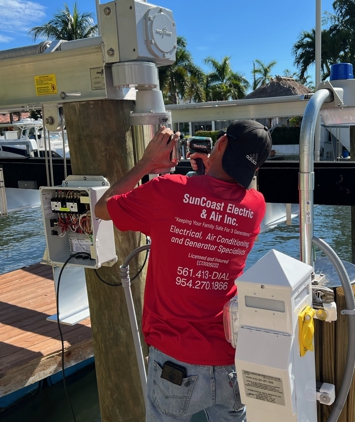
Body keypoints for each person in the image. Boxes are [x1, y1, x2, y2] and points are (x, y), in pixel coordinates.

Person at [95, 120, 272, 422]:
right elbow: (218, 204)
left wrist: (146, 163)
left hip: (174, 362)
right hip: (229, 361)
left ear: (221, 144)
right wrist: (209, 174)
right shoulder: (256, 206)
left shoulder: (167, 191)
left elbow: (102, 208)